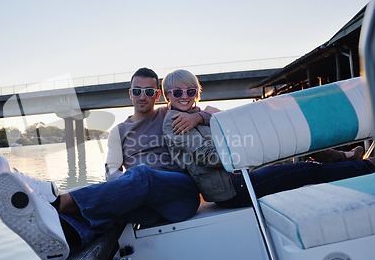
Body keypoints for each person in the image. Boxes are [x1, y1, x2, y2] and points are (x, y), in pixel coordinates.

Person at [0, 67, 209, 260]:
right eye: (137, 90)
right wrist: (125, 189)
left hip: (179, 196)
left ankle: (56, 200)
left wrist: (199, 117)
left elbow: (220, 116)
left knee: (142, 175)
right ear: (130, 93)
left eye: (149, 92)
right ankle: (65, 236)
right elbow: (112, 172)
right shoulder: (119, 131)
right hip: (147, 207)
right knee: (119, 203)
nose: (143, 96)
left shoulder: (170, 115)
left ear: (158, 95)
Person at [161, 69, 375, 208]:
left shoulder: (200, 115)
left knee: (291, 132)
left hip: (244, 173)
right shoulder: (175, 121)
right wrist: (256, 145)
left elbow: (230, 126)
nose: (185, 97)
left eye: (190, 91)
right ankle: (367, 167)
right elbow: (206, 157)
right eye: (177, 93)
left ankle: (341, 157)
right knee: (305, 171)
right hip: (233, 188)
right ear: (167, 96)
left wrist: (202, 116)